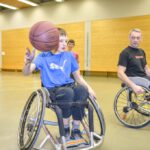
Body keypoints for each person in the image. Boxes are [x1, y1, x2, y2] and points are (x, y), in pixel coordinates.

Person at [23, 28, 96, 143]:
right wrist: (27, 62)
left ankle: (76, 130)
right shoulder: (43, 57)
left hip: (69, 86)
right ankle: (65, 129)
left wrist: (89, 88)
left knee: (82, 90)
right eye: (61, 41)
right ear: (52, 41)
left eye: (65, 41)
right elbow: (26, 72)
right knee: (68, 93)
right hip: (53, 90)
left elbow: (78, 77)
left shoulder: (69, 56)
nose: (64, 44)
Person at [117, 28, 150, 94]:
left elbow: (146, 69)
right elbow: (120, 73)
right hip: (133, 78)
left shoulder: (142, 51)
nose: (135, 40)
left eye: (138, 38)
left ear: (141, 39)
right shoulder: (125, 53)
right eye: (133, 37)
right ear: (129, 38)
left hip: (143, 78)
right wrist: (133, 86)